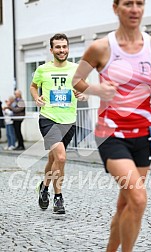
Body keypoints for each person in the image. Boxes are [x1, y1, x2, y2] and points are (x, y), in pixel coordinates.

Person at [72, 0, 151, 251]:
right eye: (128, 3)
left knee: (125, 205)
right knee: (138, 199)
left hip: (143, 135)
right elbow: (77, 81)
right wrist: (97, 89)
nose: (134, 9)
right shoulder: (101, 47)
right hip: (110, 134)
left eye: (139, 3)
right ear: (116, 8)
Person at [30, 33, 86, 214]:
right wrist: (36, 97)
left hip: (69, 121)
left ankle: (44, 188)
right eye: (58, 47)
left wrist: (82, 95)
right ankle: (58, 197)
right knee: (61, 157)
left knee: (53, 159)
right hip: (48, 118)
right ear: (51, 50)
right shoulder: (42, 69)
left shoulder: (76, 69)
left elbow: (82, 89)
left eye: (64, 47)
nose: (62, 50)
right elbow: (33, 86)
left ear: (68, 48)